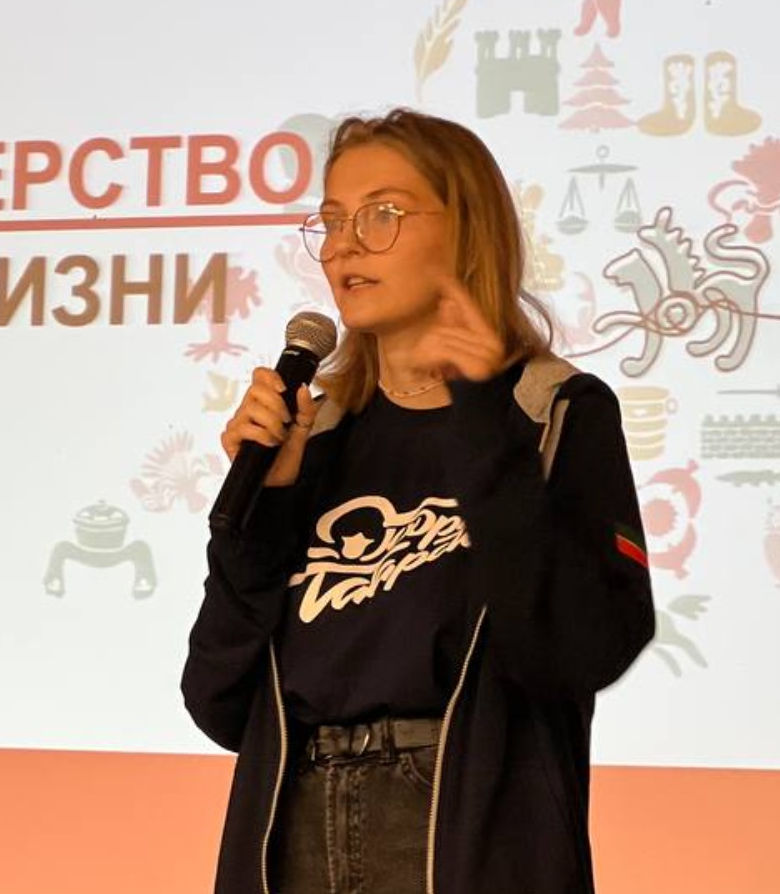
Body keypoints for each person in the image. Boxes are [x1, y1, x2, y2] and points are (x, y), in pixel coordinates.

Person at [182, 108, 655, 894]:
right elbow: (217, 702)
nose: (343, 246)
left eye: (382, 214)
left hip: (459, 837)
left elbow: (583, 650)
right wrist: (263, 514)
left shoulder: (550, 414)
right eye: (332, 220)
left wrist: (485, 436)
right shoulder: (314, 435)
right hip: (295, 830)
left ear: (467, 229)